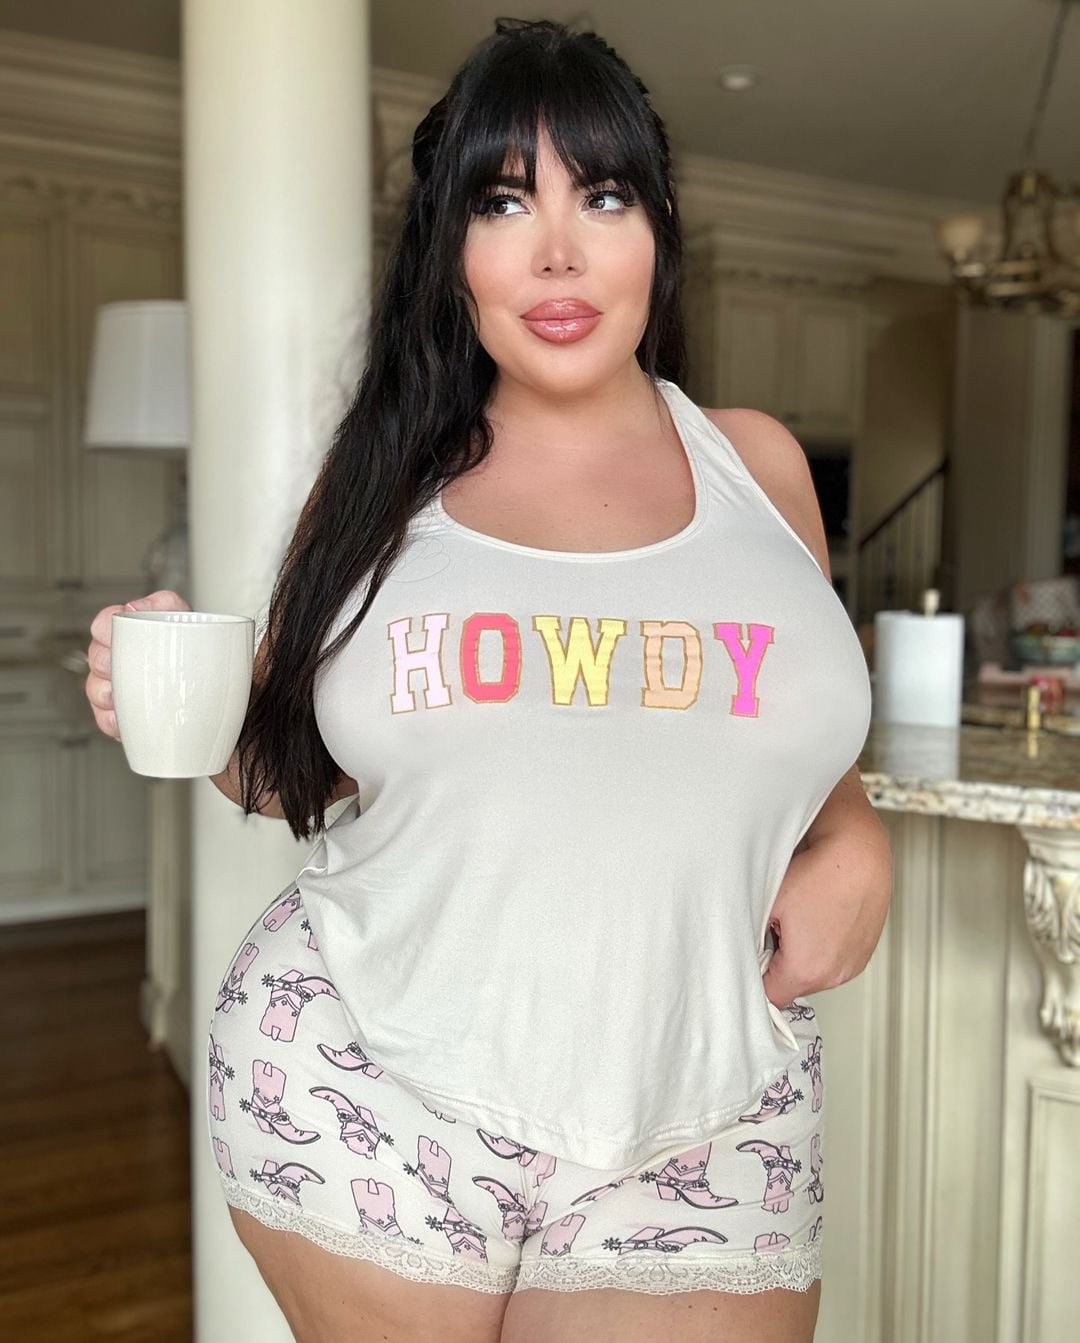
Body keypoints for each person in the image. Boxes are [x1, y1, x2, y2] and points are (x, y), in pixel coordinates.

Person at [84, 17, 891, 1343]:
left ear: (659, 232)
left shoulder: (759, 468)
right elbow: (291, 771)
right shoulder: (380, 486)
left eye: (603, 196)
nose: (557, 252)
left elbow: (800, 742)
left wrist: (859, 840)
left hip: (711, 1105)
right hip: (368, 1078)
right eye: (503, 202)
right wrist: (173, 689)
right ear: (450, 250)